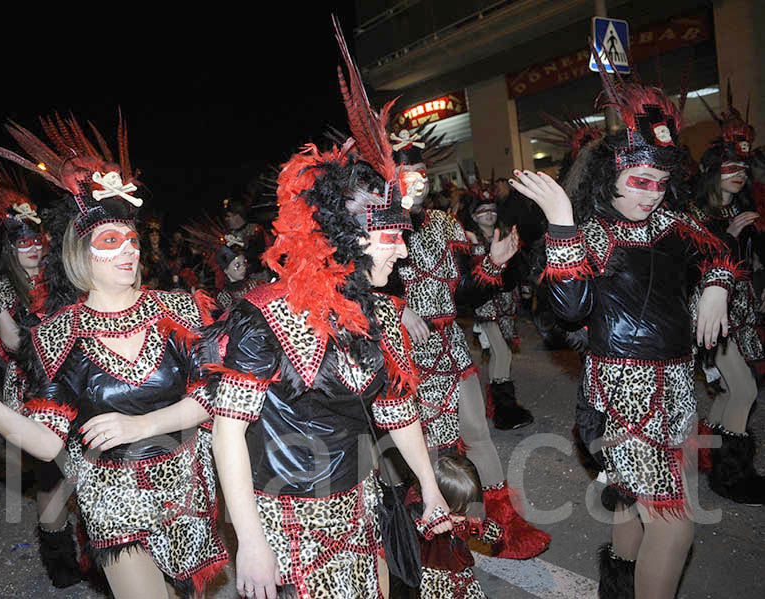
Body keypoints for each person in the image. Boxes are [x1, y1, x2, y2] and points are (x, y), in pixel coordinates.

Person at [0, 112, 228, 598]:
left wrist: (142, 425)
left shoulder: (179, 309)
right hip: (113, 499)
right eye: (110, 242)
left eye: (132, 240)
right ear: (80, 252)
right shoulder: (58, 335)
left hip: (187, 491)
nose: (129, 252)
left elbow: (216, 397)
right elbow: (45, 443)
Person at [207, 22, 450, 599]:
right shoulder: (264, 313)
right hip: (287, 521)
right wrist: (251, 540)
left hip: (362, 503)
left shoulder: (382, 314)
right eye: (390, 237)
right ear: (348, 237)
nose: (404, 249)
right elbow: (227, 435)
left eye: (403, 234)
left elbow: (394, 409)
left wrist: (431, 488)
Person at [512, 55, 735, 598]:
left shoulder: (671, 224)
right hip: (619, 397)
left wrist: (716, 286)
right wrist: (562, 223)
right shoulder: (590, 233)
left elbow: (719, 252)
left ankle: (617, 584)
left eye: (661, 182)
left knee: (643, 498)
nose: (651, 193)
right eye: (639, 181)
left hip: (677, 389)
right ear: (611, 175)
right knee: (675, 519)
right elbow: (568, 309)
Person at [390, 127, 550, 559]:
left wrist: (492, 267)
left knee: (478, 434)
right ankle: (434, 539)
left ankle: (502, 524)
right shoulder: (376, 231)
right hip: (404, 359)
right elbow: (348, 292)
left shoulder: (444, 224)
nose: (418, 182)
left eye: (423, 173)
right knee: (432, 452)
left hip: (450, 346)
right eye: (408, 175)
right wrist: (395, 308)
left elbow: (463, 294)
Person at [0, 162, 86, 587]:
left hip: (76, 386)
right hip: (33, 392)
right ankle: (60, 560)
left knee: (89, 470)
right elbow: (12, 345)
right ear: (8, 248)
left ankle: (102, 550)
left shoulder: (61, 278)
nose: (33, 247)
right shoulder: (3, 289)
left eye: (37, 239)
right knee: (54, 476)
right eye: (22, 242)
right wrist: (0, 303)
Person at [690, 91, 764, 505]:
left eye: (742, 166)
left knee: (729, 391)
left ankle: (714, 459)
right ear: (712, 172)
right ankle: (732, 473)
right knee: (744, 390)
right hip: (711, 318)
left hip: (739, 314)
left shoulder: (738, 208)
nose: (737, 173)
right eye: (728, 167)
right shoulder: (699, 217)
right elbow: (699, 267)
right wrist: (731, 236)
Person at [464, 175, 535, 430]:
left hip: (507, 302)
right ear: (474, 216)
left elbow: (517, 265)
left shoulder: (505, 233)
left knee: (501, 352)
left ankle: (500, 408)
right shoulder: (468, 240)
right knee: (502, 352)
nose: (488, 215)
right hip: (485, 305)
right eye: (482, 211)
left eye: (492, 210)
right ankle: (505, 409)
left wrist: (523, 284)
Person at [406, 453, 503, 599]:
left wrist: (483, 529)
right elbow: (417, 524)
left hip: (460, 569)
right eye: (459, 510)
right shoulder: (420, 509)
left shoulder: (465, 517)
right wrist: (435, 522)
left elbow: (484, 531)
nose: (464, 514)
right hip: (432, 577)